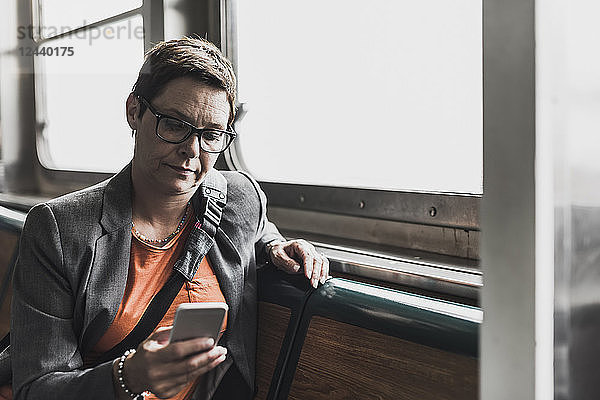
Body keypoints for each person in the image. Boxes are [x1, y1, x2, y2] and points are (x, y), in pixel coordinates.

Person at [8, 37, 329, 400]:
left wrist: (278, 247)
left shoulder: (240, 199)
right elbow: (36, 389)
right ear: (134, 111)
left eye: (211, 135)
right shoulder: (59, 230)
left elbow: (260, 233)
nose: (192, 151)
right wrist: (127, 376)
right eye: (175, 125)